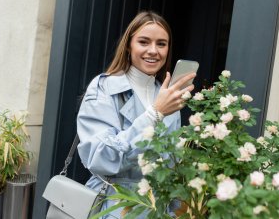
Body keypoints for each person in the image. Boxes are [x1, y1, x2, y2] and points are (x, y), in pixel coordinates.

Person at [77, 11, 196, 218]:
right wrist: (154, 114)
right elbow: (100, 157)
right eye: (144, 42)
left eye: (161, 44)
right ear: (129, 46)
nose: (153, 51)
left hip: (157, 209)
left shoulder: (166, 96)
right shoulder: (104, 87)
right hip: (114, 207)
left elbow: (171, 165)